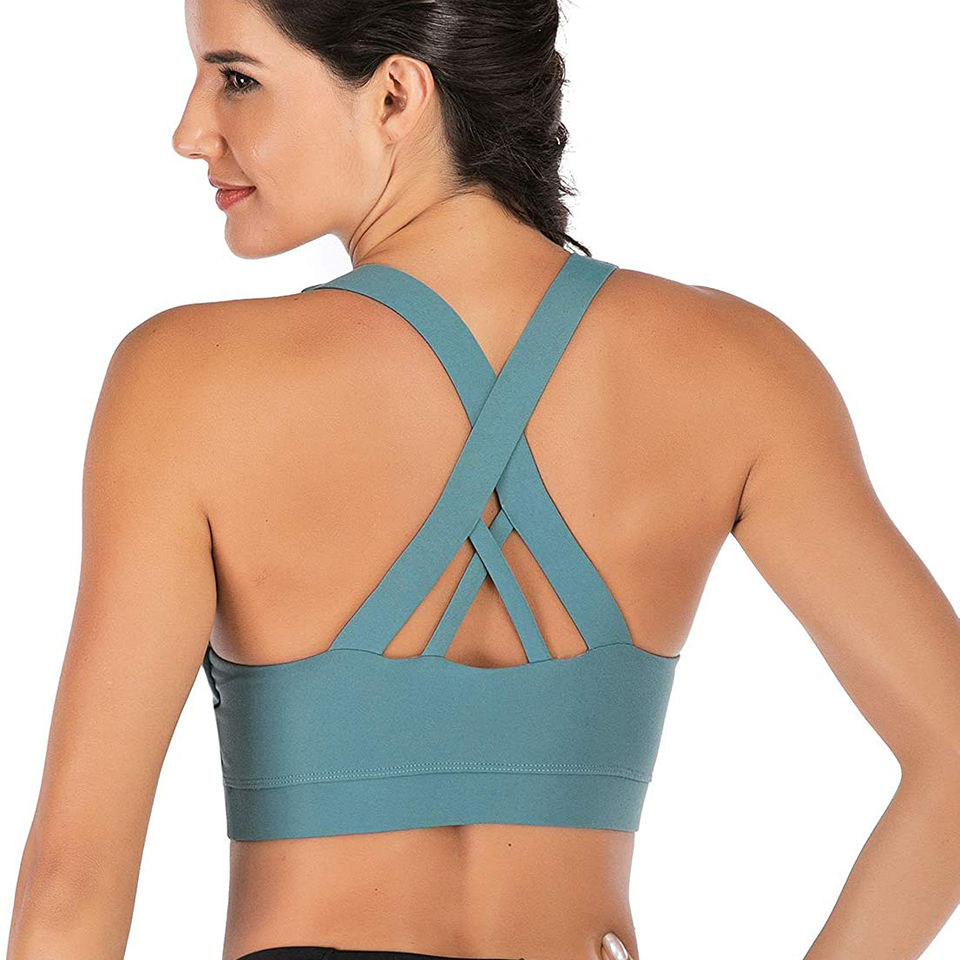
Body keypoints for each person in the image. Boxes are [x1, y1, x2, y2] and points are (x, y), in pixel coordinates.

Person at [8, 1, 960, 959]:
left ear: (395, 95)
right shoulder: (740, 367)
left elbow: (72, 883)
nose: (190, 130)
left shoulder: (187, 381)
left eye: (237, 79)